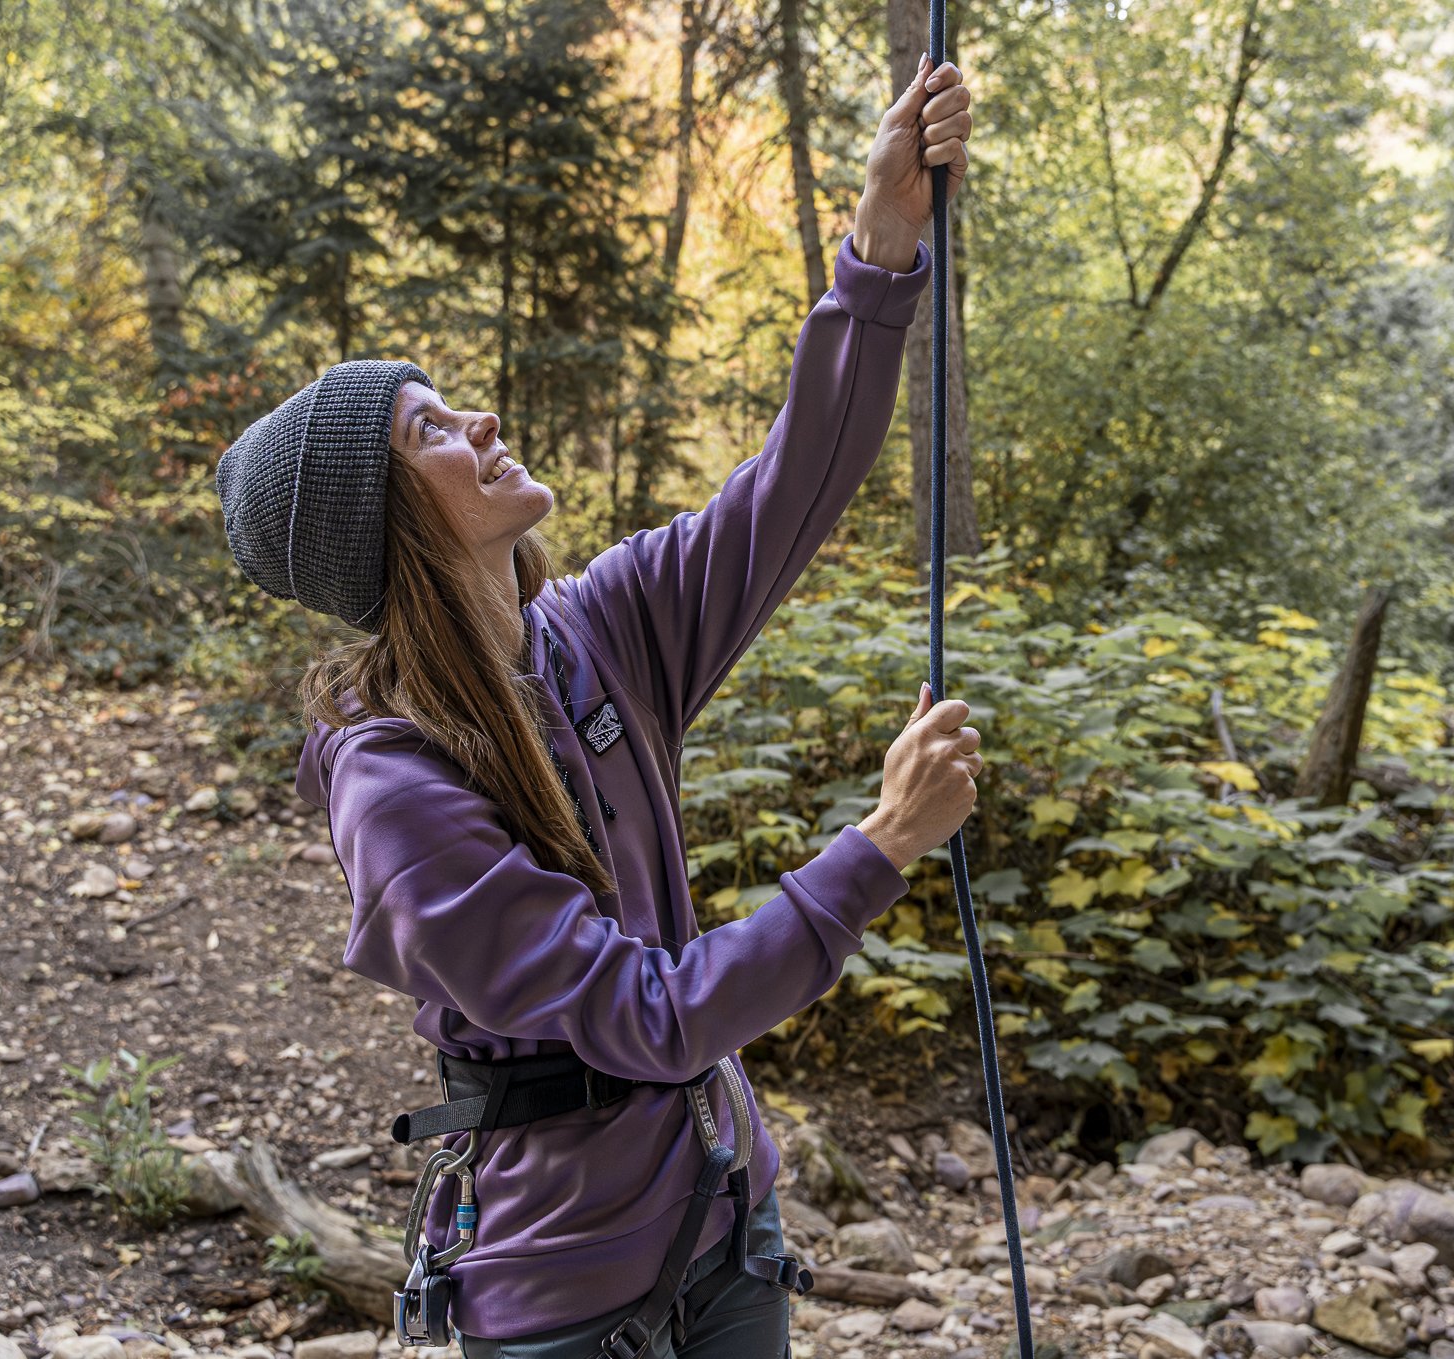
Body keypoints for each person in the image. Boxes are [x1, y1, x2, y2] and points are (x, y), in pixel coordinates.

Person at [212, 51, 976, 1359]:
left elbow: (790, 489)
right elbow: (649, 1017)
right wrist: (878, 848)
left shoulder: (595, 632)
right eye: (433, 431)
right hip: (566, 1294)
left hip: (728, 1225)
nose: (484, 420)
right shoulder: (393, 789)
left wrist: (882, 241)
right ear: (388, 525)